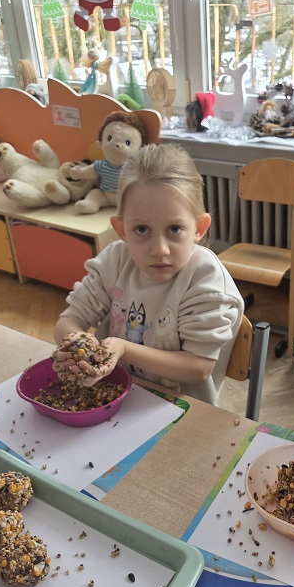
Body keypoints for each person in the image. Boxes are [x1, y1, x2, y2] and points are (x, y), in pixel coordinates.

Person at [53, 143, 245, 406]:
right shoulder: (115, 260)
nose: (159, 249)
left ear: (199, 228)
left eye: (174, 229)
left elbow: (198, 368)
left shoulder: (204, 277)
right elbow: (69, 321)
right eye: (142, 230)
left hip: (182, 408)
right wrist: (76, 344)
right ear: (121, 230)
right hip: (113, 396)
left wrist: (123, 349)